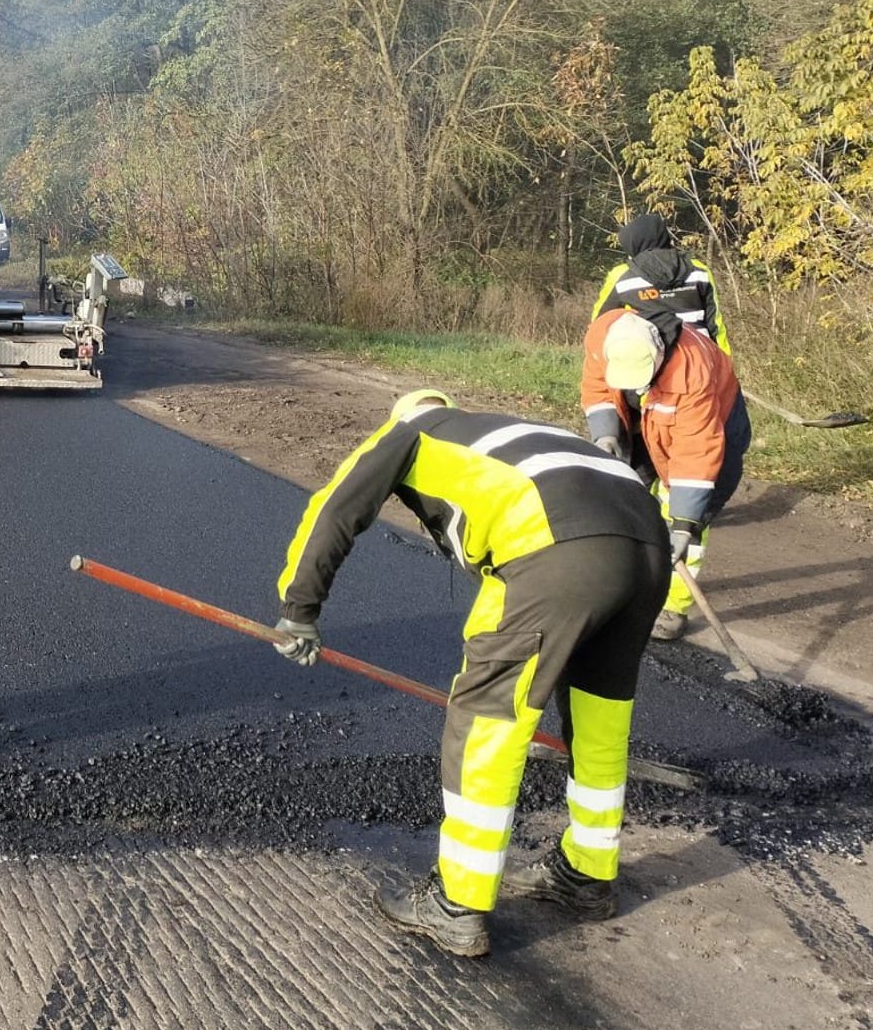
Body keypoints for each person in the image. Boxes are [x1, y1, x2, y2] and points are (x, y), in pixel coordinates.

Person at [274, 389, 671, 957]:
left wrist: (299, 609)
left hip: (555, 548)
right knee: (600, 720)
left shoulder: (410, 433)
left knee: (487, 716)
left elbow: (337, 508)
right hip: (646, 545)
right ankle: (587, 875)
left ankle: (456, 903)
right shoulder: (500, 431)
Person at [583, 307, 751, 641]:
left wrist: (684, 524)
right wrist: (606, 433)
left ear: (659, 353)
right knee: (629, 498)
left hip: (712, 431)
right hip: (647, 419)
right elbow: (598, 386)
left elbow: (696, 453)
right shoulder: (604, 335)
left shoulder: (692, 372)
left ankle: (672, 605)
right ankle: (629, 585)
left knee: (684, 517)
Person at [592, 212, 732, 356]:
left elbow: (599, 323)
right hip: (699, 358)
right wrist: (725, 365)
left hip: (647, 360)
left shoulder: (622, 276)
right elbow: (715, 325)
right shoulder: (699, 271)